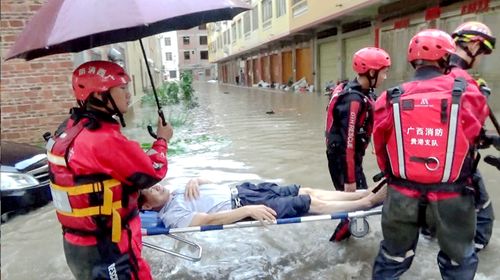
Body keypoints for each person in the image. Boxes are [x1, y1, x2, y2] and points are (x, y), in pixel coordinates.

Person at [371, 29, 488, 279]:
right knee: (459, 262)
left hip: (401, 196)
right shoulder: (467, 91)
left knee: (392, 259)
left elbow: (380, 148)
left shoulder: (389, 98)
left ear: (413, 61)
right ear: (446, 59)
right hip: (452, 197)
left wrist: (394, 178)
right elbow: (475, 135)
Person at [46, 61, 173, 280]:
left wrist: (132, 197)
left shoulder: (68, 128)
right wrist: (162, 139)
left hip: (78, 245)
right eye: (122, 88)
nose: (128, 94)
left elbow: (90, 182)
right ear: (100, 95)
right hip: (110, 247)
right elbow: (153, 171)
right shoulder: (102, 140)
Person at [325, 47, 391, 241]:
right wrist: (350, 180)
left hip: (350, 159)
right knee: (357, 206)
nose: (385, 77)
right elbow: (348, 144)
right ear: (371, 73)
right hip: (344, 161)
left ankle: (345, 243)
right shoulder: (353, 99)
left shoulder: (364, 92)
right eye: (384, 72)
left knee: (358, 205)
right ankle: (336, 246)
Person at [138, 178, 387, 228]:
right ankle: (368, 202)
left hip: (244, 189)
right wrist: (247, 210)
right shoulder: (172, 215)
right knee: (310, 203)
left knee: (306, 189)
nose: (154, 185)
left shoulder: (179, 188)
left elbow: (210, 181)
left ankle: (362, 193)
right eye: (148, 190)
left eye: (150, 182)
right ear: (147, 207)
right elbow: (207, 220)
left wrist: (196, 178)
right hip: (243, 205)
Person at [448, 21, 496, 251]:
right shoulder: (465, 81)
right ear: (474, 45)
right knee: (484, 218)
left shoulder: (436, 72)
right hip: (461, 165)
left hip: (434, 167)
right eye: (483, 52)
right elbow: (471, 130)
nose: (481, 58)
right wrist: (481, 97)